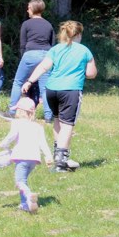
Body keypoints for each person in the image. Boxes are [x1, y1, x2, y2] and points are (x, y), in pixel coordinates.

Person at [22, 20, 96, 172]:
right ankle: (61, 162)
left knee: (57, 119)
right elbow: (91, 73)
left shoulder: (55, 49)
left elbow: (43, 67)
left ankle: (57, 153)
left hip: (52, 90)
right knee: (67, 124)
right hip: (71, 90)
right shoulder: (84, 51)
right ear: (78, 35)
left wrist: (29, 81)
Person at [0, 96, 53, 213]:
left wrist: (3, 144)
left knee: (19, 181)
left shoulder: (17, 123)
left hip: (21, 157)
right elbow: (43, 143)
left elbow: (11, 136)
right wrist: (48, 156)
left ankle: (29, 195)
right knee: (23, 180)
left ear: (20, 111)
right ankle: (25, 204)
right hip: (34, 160)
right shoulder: (38, 127)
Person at [7, 0, 54, 120]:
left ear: (33, 9)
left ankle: (12, 111)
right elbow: (52, 44)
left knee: (18, 82)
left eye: (28, 8)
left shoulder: (26, 24)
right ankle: (48, 116)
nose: (27, 10)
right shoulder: (48, 24)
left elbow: (22, 44)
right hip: (46, 55)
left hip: (30, 54)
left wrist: (24, 57)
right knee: (45, 87)